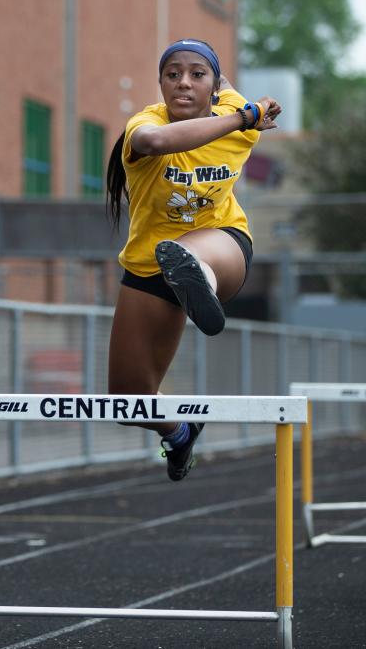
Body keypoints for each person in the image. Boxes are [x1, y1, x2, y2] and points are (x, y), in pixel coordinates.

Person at [105, 38, 282, 481]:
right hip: (149, 268)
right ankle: (180, 432)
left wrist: (241, 110)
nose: (183, 83)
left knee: (186, 253)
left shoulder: (238, 113)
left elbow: (228, 84)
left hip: (223, 246)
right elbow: (160, 140)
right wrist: (245, 117)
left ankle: (196, 278)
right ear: (161, 83)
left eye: (196, 75)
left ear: (212, 87)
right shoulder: (144, 126)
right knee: (127, 401)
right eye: (172, 75)